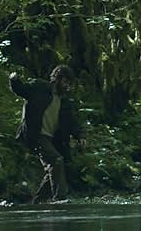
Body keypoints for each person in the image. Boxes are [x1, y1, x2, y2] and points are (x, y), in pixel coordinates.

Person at [10, 64, 85, 201]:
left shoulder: (64, 101)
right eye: (65, 82)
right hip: (35, 135)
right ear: (57, 78)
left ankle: (38, 202)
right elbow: (22, 90)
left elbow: (72, 122)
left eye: (69, 83)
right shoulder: (39, 87)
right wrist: (14, 79)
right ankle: (60, 198)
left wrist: (80, 136)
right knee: (56, 161)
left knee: (54, 169)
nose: (67, 86)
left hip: (52, 140)